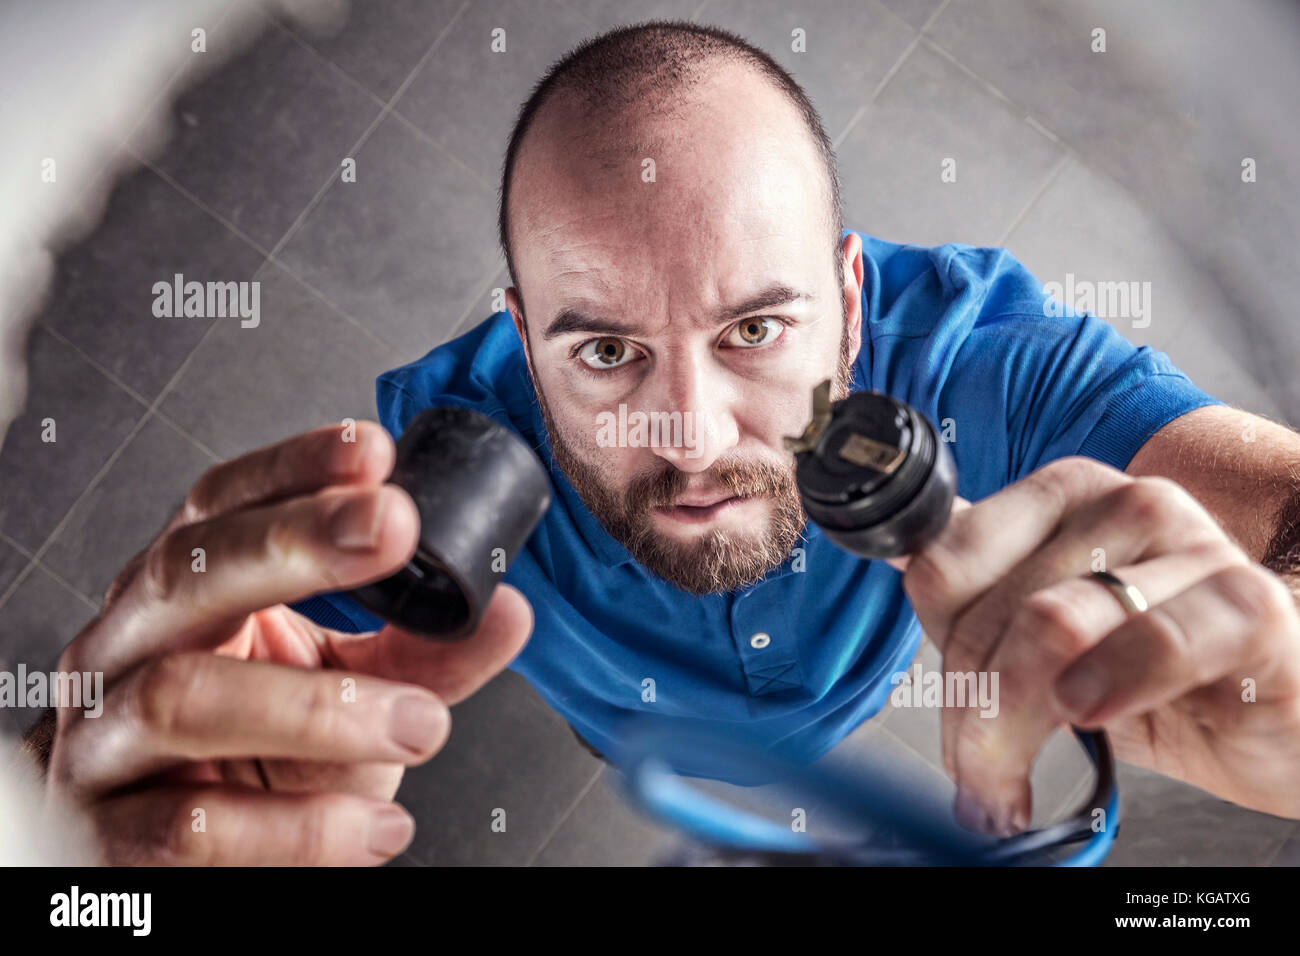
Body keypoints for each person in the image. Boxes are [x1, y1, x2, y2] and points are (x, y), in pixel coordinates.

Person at [24, 20, 1300, 863]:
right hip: (625, 733)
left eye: (753, 328)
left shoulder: (996, 360)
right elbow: (145, 750)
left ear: (852, 302)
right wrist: (71, 843)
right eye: (602, 351)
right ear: (520, 340)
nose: (688, 437)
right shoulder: (437, 457)